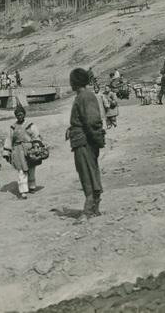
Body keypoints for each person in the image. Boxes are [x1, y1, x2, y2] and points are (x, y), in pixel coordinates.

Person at [67, 68, 105, 222]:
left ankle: (88, 209)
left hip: (85, 141)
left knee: (87, 173)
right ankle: (95, 208)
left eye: (71, 81)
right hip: (82, 140)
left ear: (75, 82)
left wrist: (97, 139)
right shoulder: (84, 96)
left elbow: (91, 121)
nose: (70, 83)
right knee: (90, 171)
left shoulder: (85, 97)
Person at [2, 105, 42, 199]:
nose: (20, 116)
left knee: (31, 168)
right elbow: (9, 139)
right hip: (18, 150)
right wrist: (7, 152)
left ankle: (32, 186)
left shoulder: (30, 125)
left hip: (29, 149)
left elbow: (36, 136)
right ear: (15, 116)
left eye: (21, 114)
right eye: (18, 115)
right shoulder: (13, 127)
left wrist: (36, 146)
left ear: (24, 114)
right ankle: (23, 191)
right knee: (21, 170)